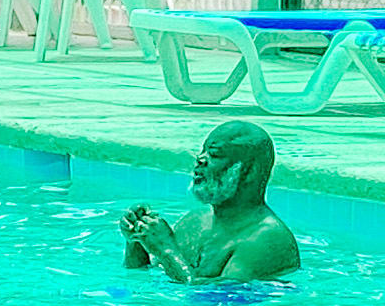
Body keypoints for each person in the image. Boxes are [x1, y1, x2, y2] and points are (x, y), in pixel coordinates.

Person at [120, 121, 300, 284]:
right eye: (202, 151)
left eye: (215, 154)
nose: (200, 159)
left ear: (249, 171)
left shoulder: (267, 238)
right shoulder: (194, 222)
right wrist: (137, 241)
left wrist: (166, 250)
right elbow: (144, 275)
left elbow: (217, 301)